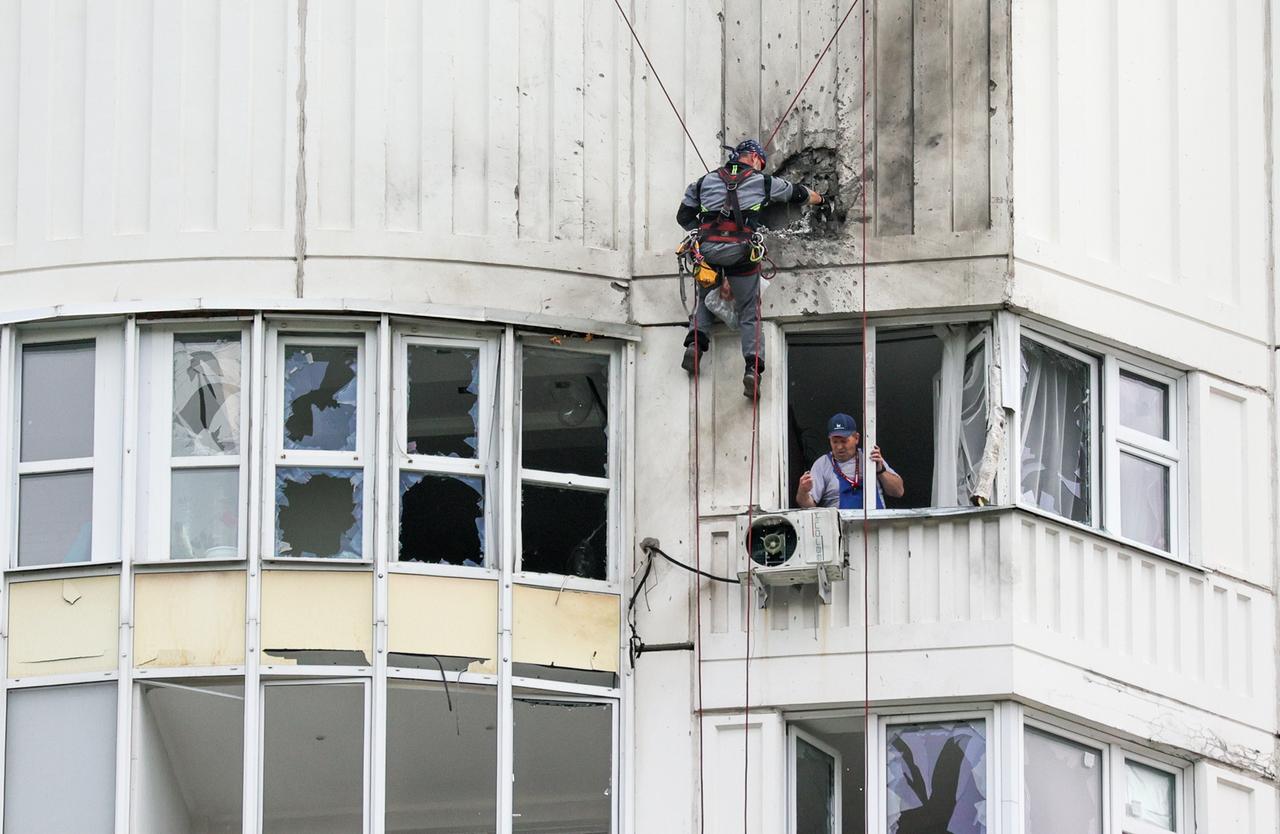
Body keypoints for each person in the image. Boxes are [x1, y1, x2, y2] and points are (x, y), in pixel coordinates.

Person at [677, 139, 826, 397]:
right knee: (749, 310)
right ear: (755, 159)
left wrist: (702, 236)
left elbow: (683, 216)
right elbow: (798, 194)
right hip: (741, 252)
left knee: (704, 297)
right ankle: (752, 369)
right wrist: (821, 199)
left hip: (708, 251)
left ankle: (695, 344)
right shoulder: (763, 182)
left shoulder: (702, 182)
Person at [796, 413, 905, 510]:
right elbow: (807, 505)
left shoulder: (870, 457)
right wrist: (803, 491)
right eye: (835, 441)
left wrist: (881, 471)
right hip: (840, 529)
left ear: (856, 438)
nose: (839, 447)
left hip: (877, 529)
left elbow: (898, 492)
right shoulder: (822, 464)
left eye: (844, 441)